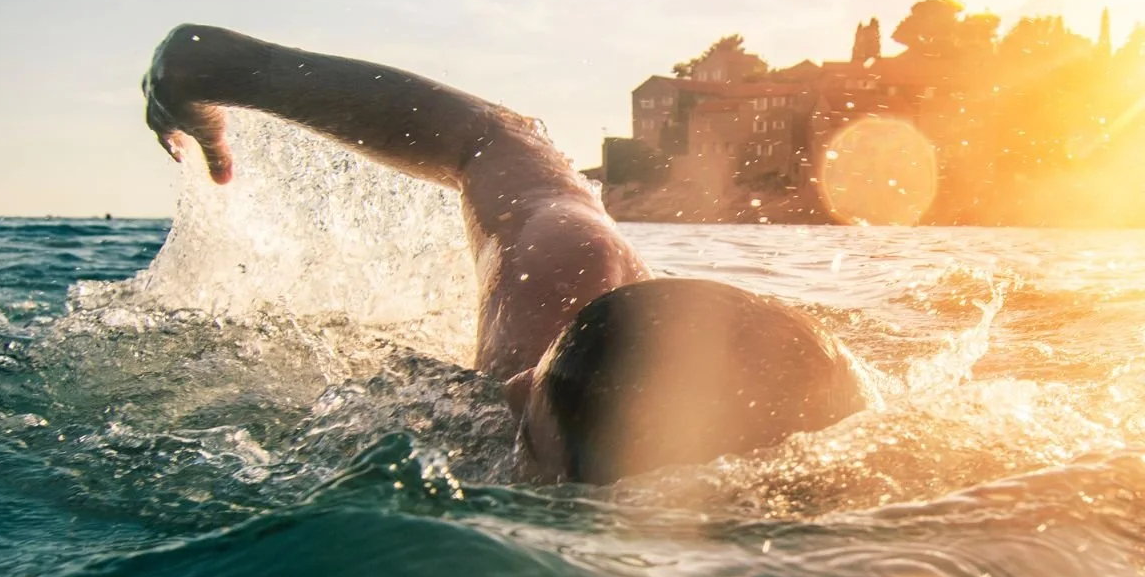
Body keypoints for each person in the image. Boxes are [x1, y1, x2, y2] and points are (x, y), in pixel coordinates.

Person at [141, 25, 869, 484]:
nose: (510, 389)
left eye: (526, 423)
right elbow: (489, 137)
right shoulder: (566, 273)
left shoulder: (830, 469)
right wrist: (223, 69)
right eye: (532, 379)